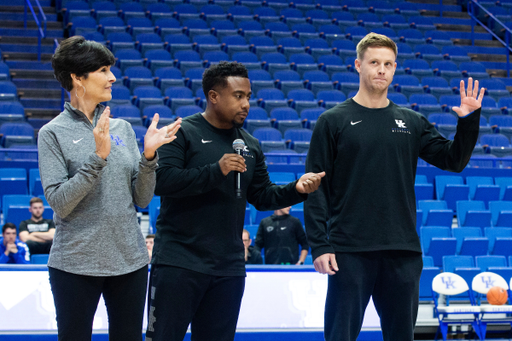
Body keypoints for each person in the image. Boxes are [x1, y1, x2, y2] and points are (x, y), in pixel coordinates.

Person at [304, 32, 484, 341]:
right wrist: (320, 244)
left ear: (395, 68)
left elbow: (453, 161)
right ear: (358, 65)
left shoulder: (411, 121)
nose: (381, 70)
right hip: (350, 249)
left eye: (388, 64)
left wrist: (468, 122)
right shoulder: (332, 121)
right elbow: (314, 187)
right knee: (339, 336)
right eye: (374, 62)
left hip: (402, 251)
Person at [146, 61, 325, 341]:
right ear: (213, 96)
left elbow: (263, 195)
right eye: (238, 96)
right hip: (178, 262)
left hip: (228, 266)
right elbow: (162, 182)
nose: (246, 104)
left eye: (248, 96)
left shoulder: (249, 144)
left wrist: (297, 189)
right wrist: (216, 171)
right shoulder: (182, 132)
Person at [37, 35, 181, 341]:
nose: (112, 77)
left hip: (130, 260)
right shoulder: (52, 133)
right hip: (74, 263)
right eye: (103, 70)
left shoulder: (123, 128)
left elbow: (141, 199)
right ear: (77, 77)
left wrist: (149, 157)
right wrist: (98, 158)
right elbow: (60, 202)